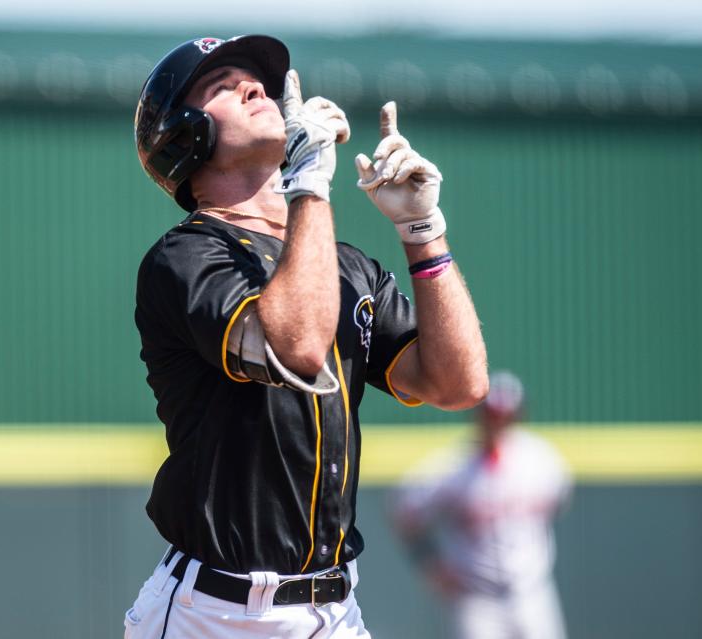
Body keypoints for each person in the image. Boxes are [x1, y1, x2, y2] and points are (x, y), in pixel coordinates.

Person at [127, 34, 488, 639]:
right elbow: (296, 345)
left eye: (258, 81)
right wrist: (309, 182)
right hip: (217, 613)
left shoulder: (343, 265)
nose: (254, 88)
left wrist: (423, 229)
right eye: (221, 87)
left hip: (336, 610)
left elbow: (459, 383)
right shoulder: (186, 254)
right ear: (185, 136)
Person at [391, 371, 572, 639]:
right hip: (477, 599)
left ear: (517, 416)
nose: (497, 423)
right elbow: (405, 512)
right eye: (491, 415)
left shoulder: (542, 460)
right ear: (478, 416)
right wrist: (430, 563)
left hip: (531, 593)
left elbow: (558, 502)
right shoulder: (452, 467)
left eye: (505, 415)